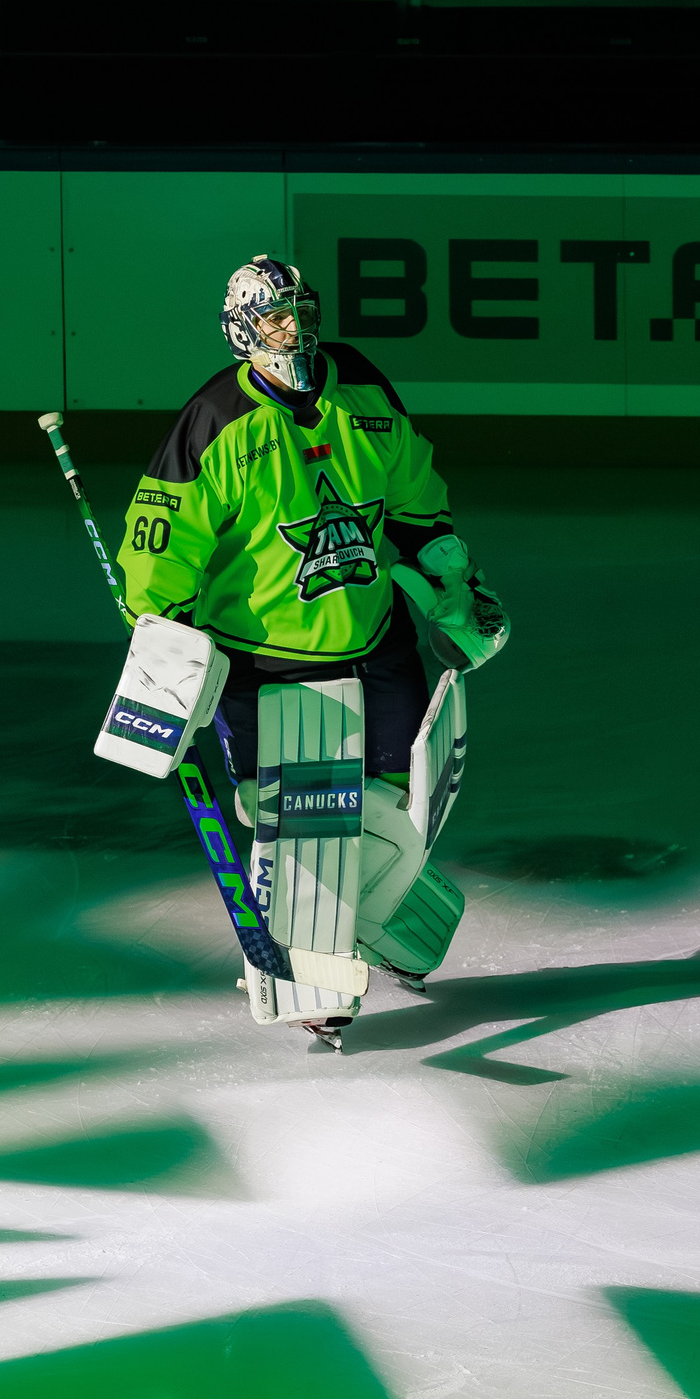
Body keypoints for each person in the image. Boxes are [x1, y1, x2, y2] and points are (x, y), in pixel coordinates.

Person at [115, 255, 502, 1036]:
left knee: (397, 811)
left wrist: (449, 578)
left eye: (301, 309)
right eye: (275, 316)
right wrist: (165, 649)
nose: (294, 327)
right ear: (241, 331)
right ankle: (319, 959)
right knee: (298, 822)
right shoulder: (212, 422)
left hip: (375, 637)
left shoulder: (358, 381)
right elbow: (159, 551)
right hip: (267, 665)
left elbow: (416, 494)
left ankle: (376, 923)